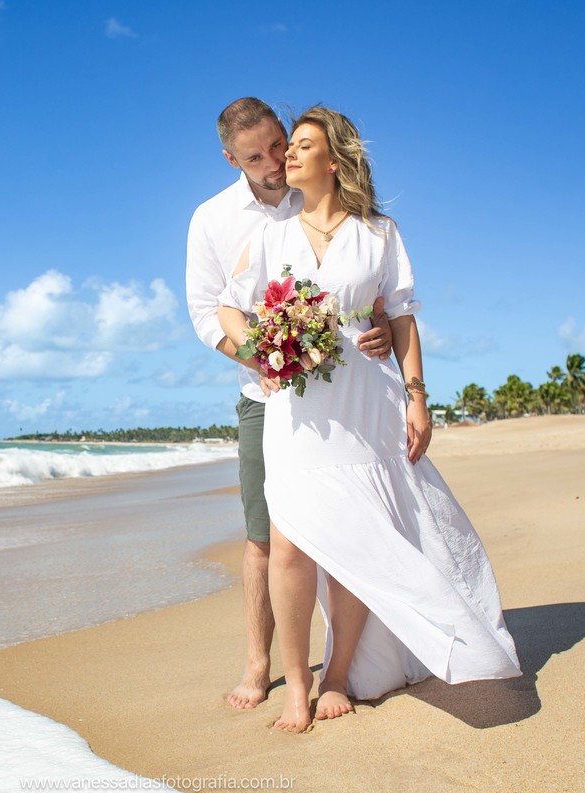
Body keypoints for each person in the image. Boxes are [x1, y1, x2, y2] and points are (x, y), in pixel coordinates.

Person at [218, 106, 521, 732]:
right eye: (286, 148)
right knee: (292, 545)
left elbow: (403, 314)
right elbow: (227, 308)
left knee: (356, 535)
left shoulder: (379, 232)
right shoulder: (272, 234)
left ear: (334, 161)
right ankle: (296, 685)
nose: (287, 158)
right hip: (297, 409)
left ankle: (338, 674)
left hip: (367, 401)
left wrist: (416, 395)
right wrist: (265, 352)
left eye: (301, 147)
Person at [186, 98, 392, 710]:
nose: (275, 163)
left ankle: (341, 666)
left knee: (346, 525)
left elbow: (363, 283)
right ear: (231, 159)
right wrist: (262, 356)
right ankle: (261, 665)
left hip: (350, 396)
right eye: (257, 156)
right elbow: (207, 310)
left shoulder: (323, 191)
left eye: (280, 146)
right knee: (266, 537)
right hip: (267, 397)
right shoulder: (213, 218)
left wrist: (376, 325)